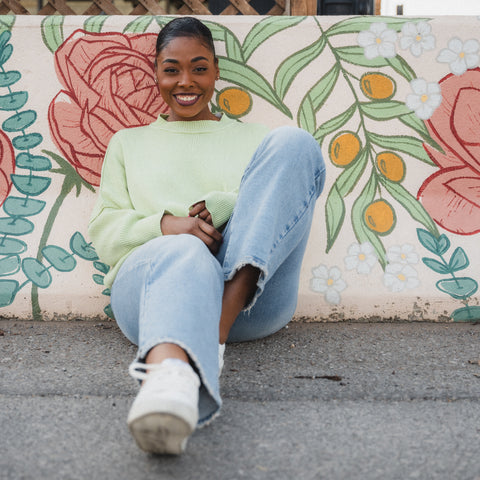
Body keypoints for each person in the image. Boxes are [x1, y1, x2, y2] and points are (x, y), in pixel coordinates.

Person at [88, 16, 326, 455]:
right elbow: (103, 230)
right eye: (171, 69)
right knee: (185, 249)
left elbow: (273, 206)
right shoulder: (128, 142)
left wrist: (229, 203)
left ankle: (208, 336)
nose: (186, 81)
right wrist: (168, 226)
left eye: (199, 68)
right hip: (151, 298)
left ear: (216, 72)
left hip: (249, 302)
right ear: (156, 74)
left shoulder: (258, 142)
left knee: (295, 143)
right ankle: (167, 387)